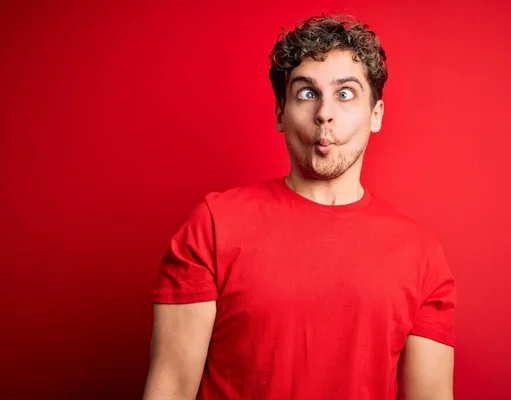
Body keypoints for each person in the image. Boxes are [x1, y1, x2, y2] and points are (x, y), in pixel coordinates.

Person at [143, 14, 456, 400]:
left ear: (376, 115)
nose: (324, 112)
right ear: (280, 113)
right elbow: (170, 388)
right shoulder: (213, 225)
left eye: (345, 94)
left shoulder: (421, 254)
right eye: (307, 93)